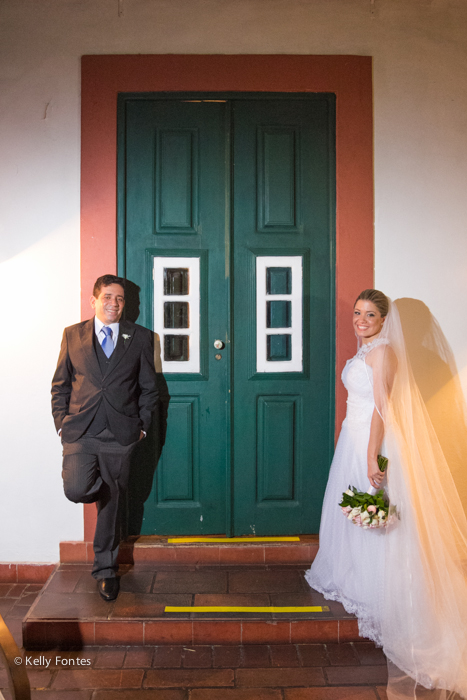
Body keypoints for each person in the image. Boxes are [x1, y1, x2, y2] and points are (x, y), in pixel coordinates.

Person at [305, 289, 467, 699]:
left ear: (383, 319)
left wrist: (372, 456)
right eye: (358, 313)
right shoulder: (365, 352)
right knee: (356, 515)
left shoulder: (383, 354)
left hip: (369, 442)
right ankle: (357, 580)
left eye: (370, 314)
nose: (361, 320)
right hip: (352, 438)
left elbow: (382, 408)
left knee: (382, 518)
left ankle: (387, 594)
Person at [51, 274, 159, 601]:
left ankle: (106, 569)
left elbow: (149, 390)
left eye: (120, 299)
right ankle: (103, 488)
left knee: (111, 505)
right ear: (94, 300)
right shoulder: (73, 335)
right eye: (108, 297)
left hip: (120, 433)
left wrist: (141, 426)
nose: (114, 304)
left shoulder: (140, 338)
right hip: (81, 431)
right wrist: (60, 423)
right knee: (77, 488)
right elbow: (60, 385)